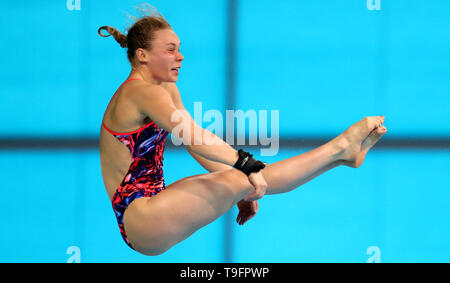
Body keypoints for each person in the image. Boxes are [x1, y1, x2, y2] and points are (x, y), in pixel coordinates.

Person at [98, 6, 388, 256]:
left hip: (153, 209)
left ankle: (340, 154)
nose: (181, 56)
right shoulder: (138, 91)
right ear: (142, 55)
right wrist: (244, 165)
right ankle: (339, 149)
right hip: (140, 217)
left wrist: (240, 186)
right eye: (170, 50)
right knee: (251, 176)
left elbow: (193, 141)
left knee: (250, 180)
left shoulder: (165, 89)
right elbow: (194, 136)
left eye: (180, 48)